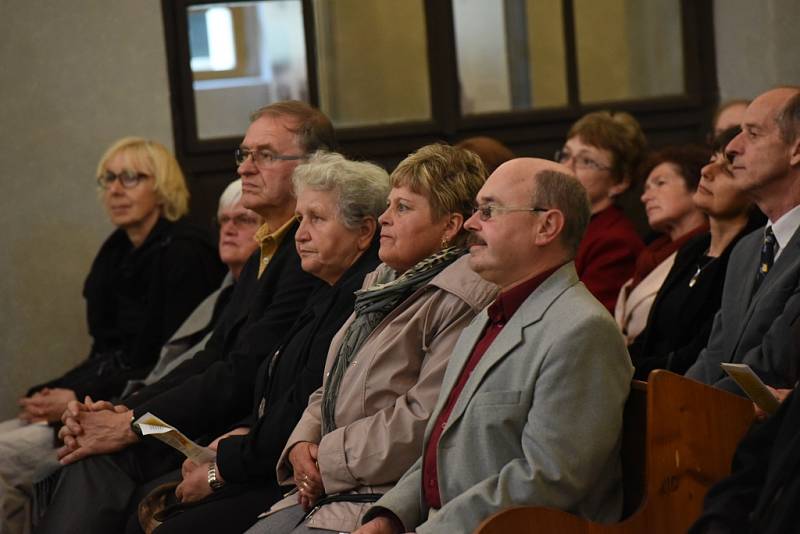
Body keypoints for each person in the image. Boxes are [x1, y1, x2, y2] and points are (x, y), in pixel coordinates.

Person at [35, 101, 333, 534]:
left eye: (264, 156)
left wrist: (131, 425)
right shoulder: (264, 252)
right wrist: (126, 411)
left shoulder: (308, 254)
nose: (245, 168)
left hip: (247, 436)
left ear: (313, 167)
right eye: (243, 155)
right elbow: (209, 355)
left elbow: (240, 373)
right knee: (88, 454)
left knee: (101, 465)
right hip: (212, 424)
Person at [352, 158, 633, 534]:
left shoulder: (582, 330)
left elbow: (548, 479)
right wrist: (391, 515)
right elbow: (442, 446)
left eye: (489, 211)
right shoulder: (490, 316)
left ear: (546, 226)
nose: (470, 224)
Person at [244, 144, 498, 534]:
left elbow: (421, 420)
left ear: (449, 227)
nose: (384, 218)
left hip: (381, 498)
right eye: (388, 205)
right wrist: (300, 445)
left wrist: (323, 459)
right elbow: (331, 386)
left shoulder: (460, 299)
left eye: (403, 208)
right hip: (329, 487)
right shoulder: (382, 283)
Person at [142, 152, 389, 534]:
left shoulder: (358, 299)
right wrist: (239, 435)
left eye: (317, 219)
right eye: (301, 218)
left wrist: (219, 468)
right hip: (264, 458)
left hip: (304, 479)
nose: (301, 234)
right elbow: (275, 384)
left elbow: (303, 404)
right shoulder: (326, 291)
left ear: (365, 231)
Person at [0, 137, 224, 534]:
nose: (116, 189)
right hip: (110, 390)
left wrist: (73, 398)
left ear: (162, 186)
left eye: (131, 177)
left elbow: (163, 361)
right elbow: (106, 350)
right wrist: (53, 390)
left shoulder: (185, 253)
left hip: (141, 403)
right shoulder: (116, 251)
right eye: (108, 179)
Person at [686, 87, 800, 393]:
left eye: (752, 133)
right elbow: (715, 356)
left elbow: (771, 367)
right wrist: (670, 404)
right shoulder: (746, 249)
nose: (732, 148)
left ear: (796, 150)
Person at [629, 128, 764, 380]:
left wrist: (630, 370)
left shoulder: (749, 255)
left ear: (753, 189)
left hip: (688, 389)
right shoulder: (694, 248)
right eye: (712, 161)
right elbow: (651, 334)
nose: (706, 171)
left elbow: (704, 351)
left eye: (726, 170)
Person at [122, 178, 261, 396]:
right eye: (223, 220)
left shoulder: (261, 295)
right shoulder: (222, 294)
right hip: (155, 402)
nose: (228, 229)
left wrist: (134, 418)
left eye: (243, 219)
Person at [615, 145, 710, 344]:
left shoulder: (710, 251)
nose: (645, 197)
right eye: (646, 189)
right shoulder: (650, 253)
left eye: (660, 183)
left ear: (697, 188)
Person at [555, 110, 646, 312]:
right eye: (566, 155)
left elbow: (584, 319)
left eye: (586, 161)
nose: (566, 168)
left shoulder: (616, 243)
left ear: (620, 181)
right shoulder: (566, 224)